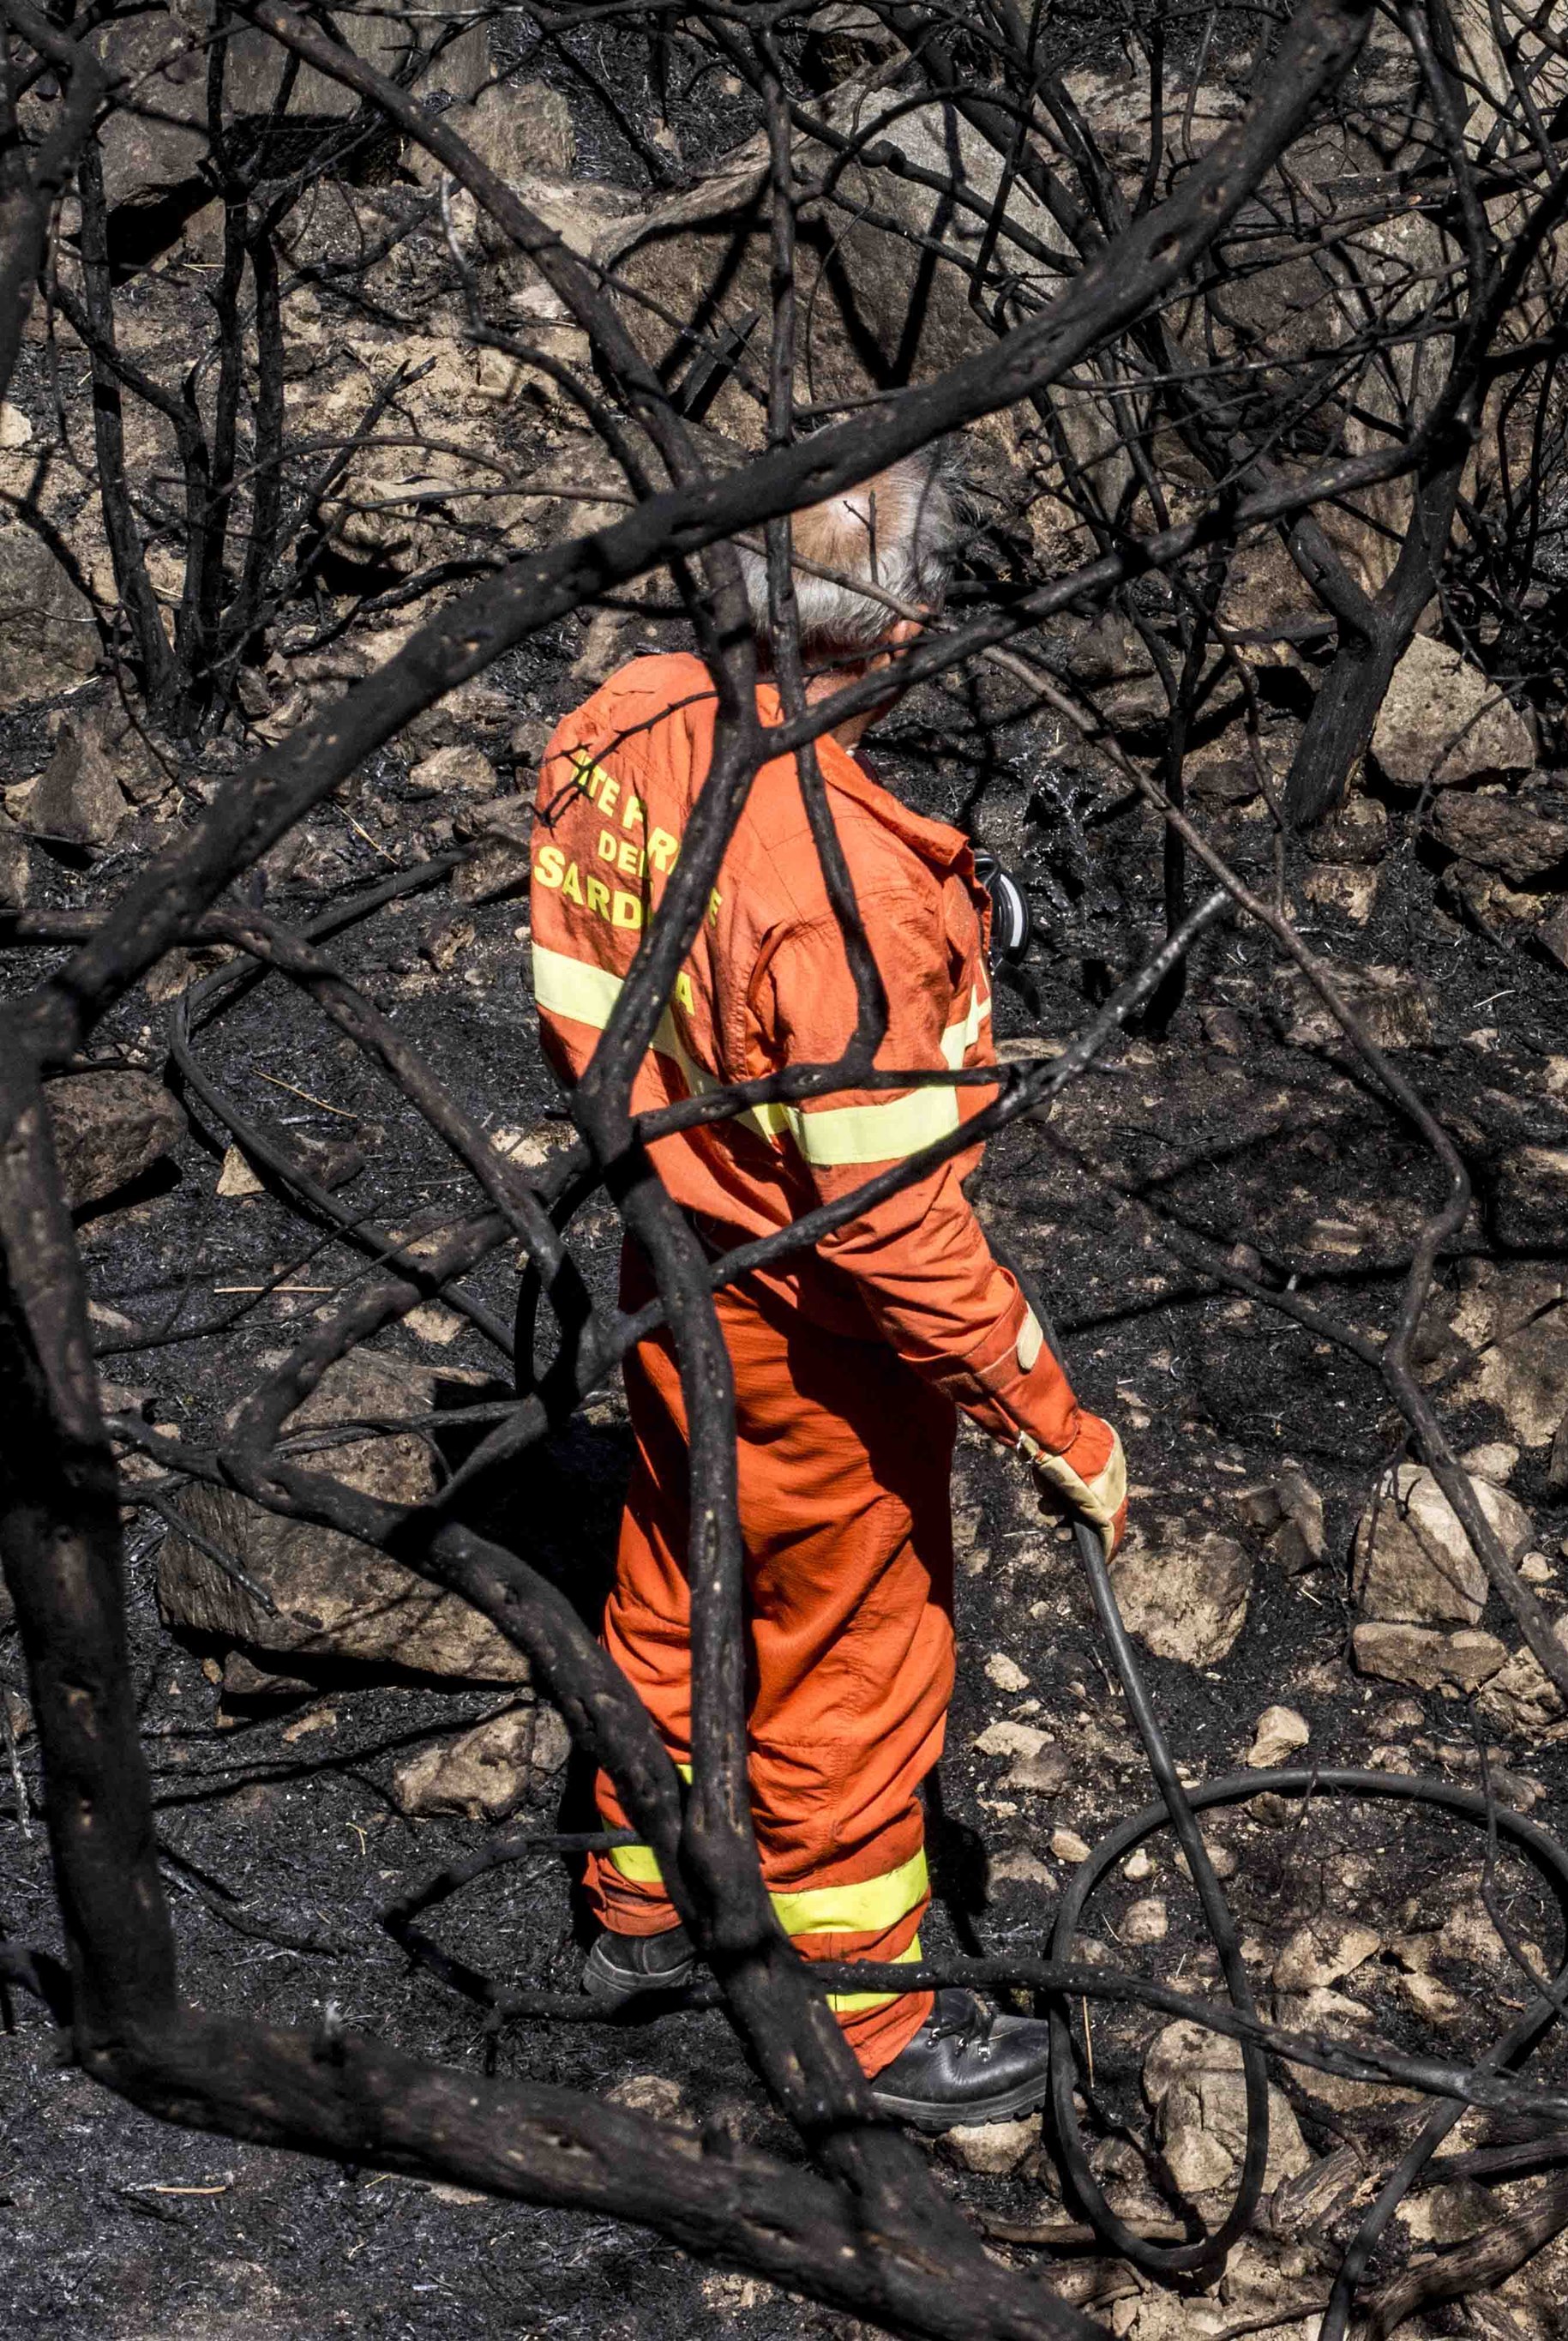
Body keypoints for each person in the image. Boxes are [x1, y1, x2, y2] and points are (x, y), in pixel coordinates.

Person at [526, 444, 1128, 2126]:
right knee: (854, 1667)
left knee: (672, 1573)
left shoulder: (619, 726)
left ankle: (639, 1914)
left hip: (670, 1265)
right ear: (908, 624)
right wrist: (1052, 1420)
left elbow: (638, 978)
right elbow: (892, 1233)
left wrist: (953, 913)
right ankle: (866, 2028)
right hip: (812, 1342)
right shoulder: (840, 897)